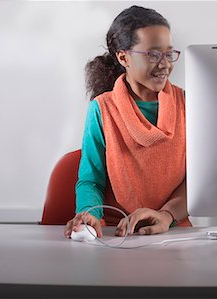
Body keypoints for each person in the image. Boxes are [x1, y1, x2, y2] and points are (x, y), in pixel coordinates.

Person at [64, 6, 190, 239]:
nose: (165, 65)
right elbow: (91, 180)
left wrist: (166, 215)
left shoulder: (188, 105)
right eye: (153, 54)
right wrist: (87, 213)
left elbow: (198, 180)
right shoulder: (102, 110)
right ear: (123, 57)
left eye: (169, 53)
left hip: (173, 230)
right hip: (120, 233)